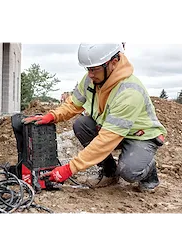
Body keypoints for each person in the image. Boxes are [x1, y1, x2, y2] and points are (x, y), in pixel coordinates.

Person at [12, 41, 167, 192]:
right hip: (113, 129)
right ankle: (109, 172)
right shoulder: (91, 79)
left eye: (95, 69)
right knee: (82, 125)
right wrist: (52, 116)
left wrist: (70, 169)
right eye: (88, 69)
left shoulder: (129, 92)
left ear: (114, 62)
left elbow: (106, 139)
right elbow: (73, 104)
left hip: (140, 136)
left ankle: (149, 171)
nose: (90, 74)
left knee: (128, 171)